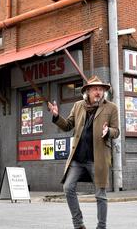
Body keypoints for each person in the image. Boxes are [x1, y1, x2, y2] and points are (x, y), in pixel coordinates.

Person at [48, 75, 120, 229]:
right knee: (68, 187)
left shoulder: (111, 107)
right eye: (95, 89)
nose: (98, 92)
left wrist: (109, 131)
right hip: (78, 158)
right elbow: (68, 125)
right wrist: (56, 116)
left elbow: (117, 131)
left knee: (100, 195)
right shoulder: (78, 105)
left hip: (98, 158)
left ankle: (101, 226)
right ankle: (78, 223)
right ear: (87, 91)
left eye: (101, 89)